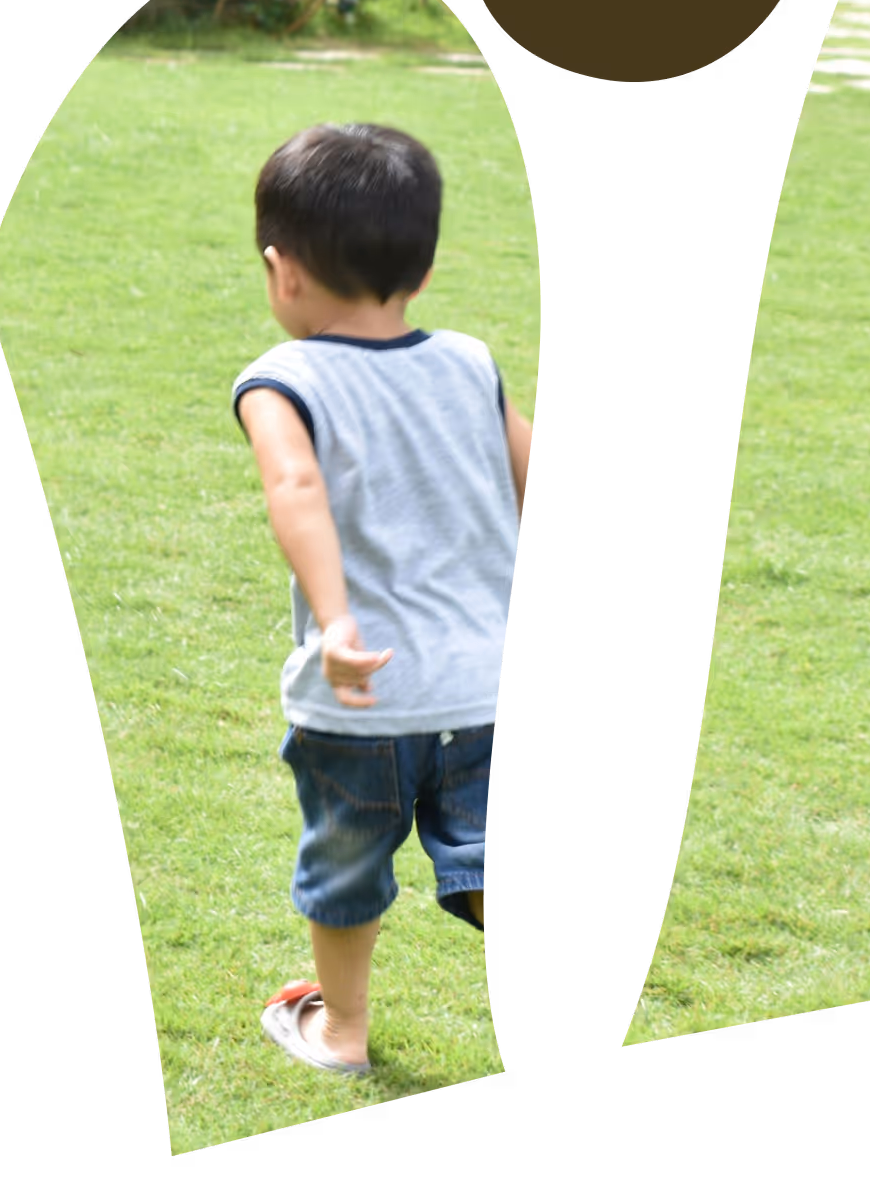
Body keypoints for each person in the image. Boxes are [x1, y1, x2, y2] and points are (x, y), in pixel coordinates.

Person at [233, 122, 531, 1076]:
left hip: (364, 697)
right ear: (425, 268)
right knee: (484, 852)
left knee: (347, 866)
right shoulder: (471, 361)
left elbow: (297, 491)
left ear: (281, 271)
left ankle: (342, 1033)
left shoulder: (282, 381)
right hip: (485, 685)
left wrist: (337, 623)